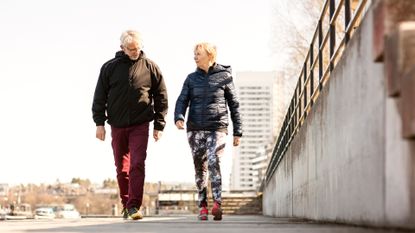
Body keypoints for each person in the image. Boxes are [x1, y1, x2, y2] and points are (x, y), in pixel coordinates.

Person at [92, 30, 168, 220]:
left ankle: (134, 206)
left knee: (137, 164)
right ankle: (126, 203)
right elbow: (99, 97)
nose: (135, 52)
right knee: (121, 168)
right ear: (122, 48)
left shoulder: (151, 67)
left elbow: (161, 96)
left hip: (140, 124)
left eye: (138, 48)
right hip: (116, 125)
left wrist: (159, 124)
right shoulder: (109, 67)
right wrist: (99, 123)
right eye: (131, 49)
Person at [174, 42, 242, 221]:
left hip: (217, 127)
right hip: (195, 128)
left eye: (198, 53)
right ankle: (202, 205)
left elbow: (234, 104)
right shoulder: (190, 79)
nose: (194, 56)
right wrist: (179, 116)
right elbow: (182, 100)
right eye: (194, 53)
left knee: (213, 160)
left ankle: (217, 203)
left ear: (209, 55)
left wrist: (238, 131)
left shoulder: (224, 76)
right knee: (200, 167)